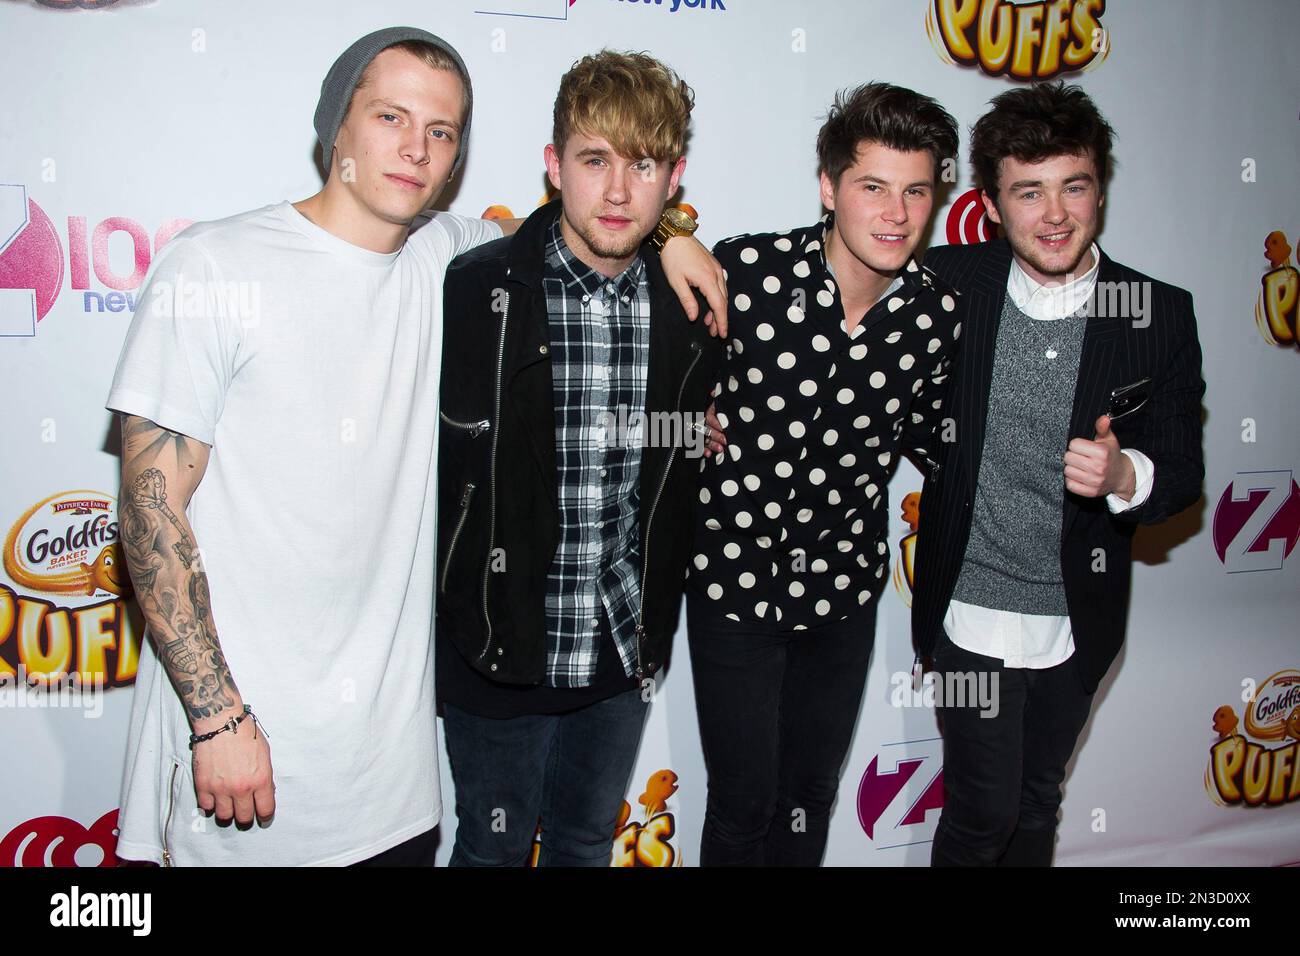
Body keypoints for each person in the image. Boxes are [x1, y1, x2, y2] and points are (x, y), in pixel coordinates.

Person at [107, 28, 726, 867]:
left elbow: (591, 222)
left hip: (388, 787)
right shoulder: (212, 267)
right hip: (244, 749)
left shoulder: (450, 258)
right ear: (337, 125)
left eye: (441, 131)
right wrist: (216, 717)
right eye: (390, 116)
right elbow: (150, 513)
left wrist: (669, 235)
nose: (415, 147)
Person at [436, 50, 725, 867]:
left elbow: (679, 457)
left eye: (643, 165)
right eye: (595, 161)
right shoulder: (475, 288)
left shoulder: (688, 307)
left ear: (674, 179)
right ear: (554, 165)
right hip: (498, 640)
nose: (619, 191)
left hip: (618, 642)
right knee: (489, 855)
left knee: (585, 843)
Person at [913, 81, 1206, 867]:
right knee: (982, 810)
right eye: (1028, 192)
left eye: (1072, 187)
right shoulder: (946, 285)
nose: (1054, 215)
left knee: (1038, 802)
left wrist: (1122, 474)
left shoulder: (1157, 313)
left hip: (1078, 620)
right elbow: (831, 282)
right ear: (992, 204)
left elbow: (1181, 473)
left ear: (1099, 190)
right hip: (967, 609)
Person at [686, 82, 962, 866]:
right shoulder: (746, 272)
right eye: (873, 187)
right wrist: (683, 427)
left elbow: (943, 442)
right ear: (829, 187)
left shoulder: (934, 315)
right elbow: (655, 395)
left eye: (916, 191)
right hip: (731, 583)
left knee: (809, 798)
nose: (896, 213)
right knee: (742, 805)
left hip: (842, 594)